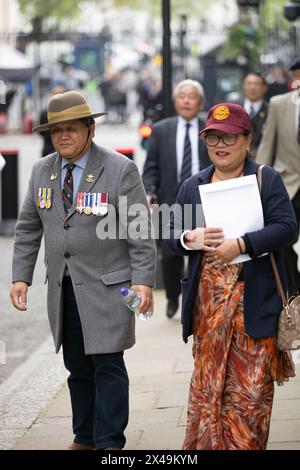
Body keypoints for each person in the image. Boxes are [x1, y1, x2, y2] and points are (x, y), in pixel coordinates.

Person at [10, 91, 155, 450]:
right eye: (57, 131)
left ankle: (109, 442)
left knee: (107, 364)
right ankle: (84, 436)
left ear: (90, 129)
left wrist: (144, 282)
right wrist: (20, 276)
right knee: (77, 367)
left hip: (109, 288)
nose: (63, 137)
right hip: (64, 288)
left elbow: (139, 231)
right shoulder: (41, 170)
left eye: (71, 129)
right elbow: (28, 227)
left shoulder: (120, 169)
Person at [166, 102, 296, 450]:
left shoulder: (265, 178)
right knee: (209, 390)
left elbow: (287, 228)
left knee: (250, 396)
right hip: (208, 313)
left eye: (229, 138)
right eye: (213, 139)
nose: (220, 146)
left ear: (247, 140)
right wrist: (189, 238)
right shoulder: (193, 185)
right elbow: (171, 235)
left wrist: (241, 244)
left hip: (257, 307)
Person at [142, 79, 211, 319]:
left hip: (204, 198)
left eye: (192, 96)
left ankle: (197, 299)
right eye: (182, 96)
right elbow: (150, 166)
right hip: (169, 200)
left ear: (200, 102)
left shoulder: (209, 129)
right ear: (175, 101)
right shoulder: (161, 130)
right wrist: (149, 190)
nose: (186, 100)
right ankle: (173, 296)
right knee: (170, 254)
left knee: (201, 250)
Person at [257, 58, 300, 296]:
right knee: (282, 242)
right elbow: (267, 145)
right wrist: (258, 180)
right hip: (289, 185)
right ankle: (294, 292)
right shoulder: (278, 104)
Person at [241, 72, 268, 158]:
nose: (252, 88)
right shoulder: (235, 109)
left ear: (264, 88)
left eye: (256, 84)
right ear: (243, 86)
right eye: (249, 84)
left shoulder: (271, 111)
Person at [39, 86, 65, 157]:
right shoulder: (67, 112)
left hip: (48, 148)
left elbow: (41, 131)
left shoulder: (45, 112)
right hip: (58, 148)